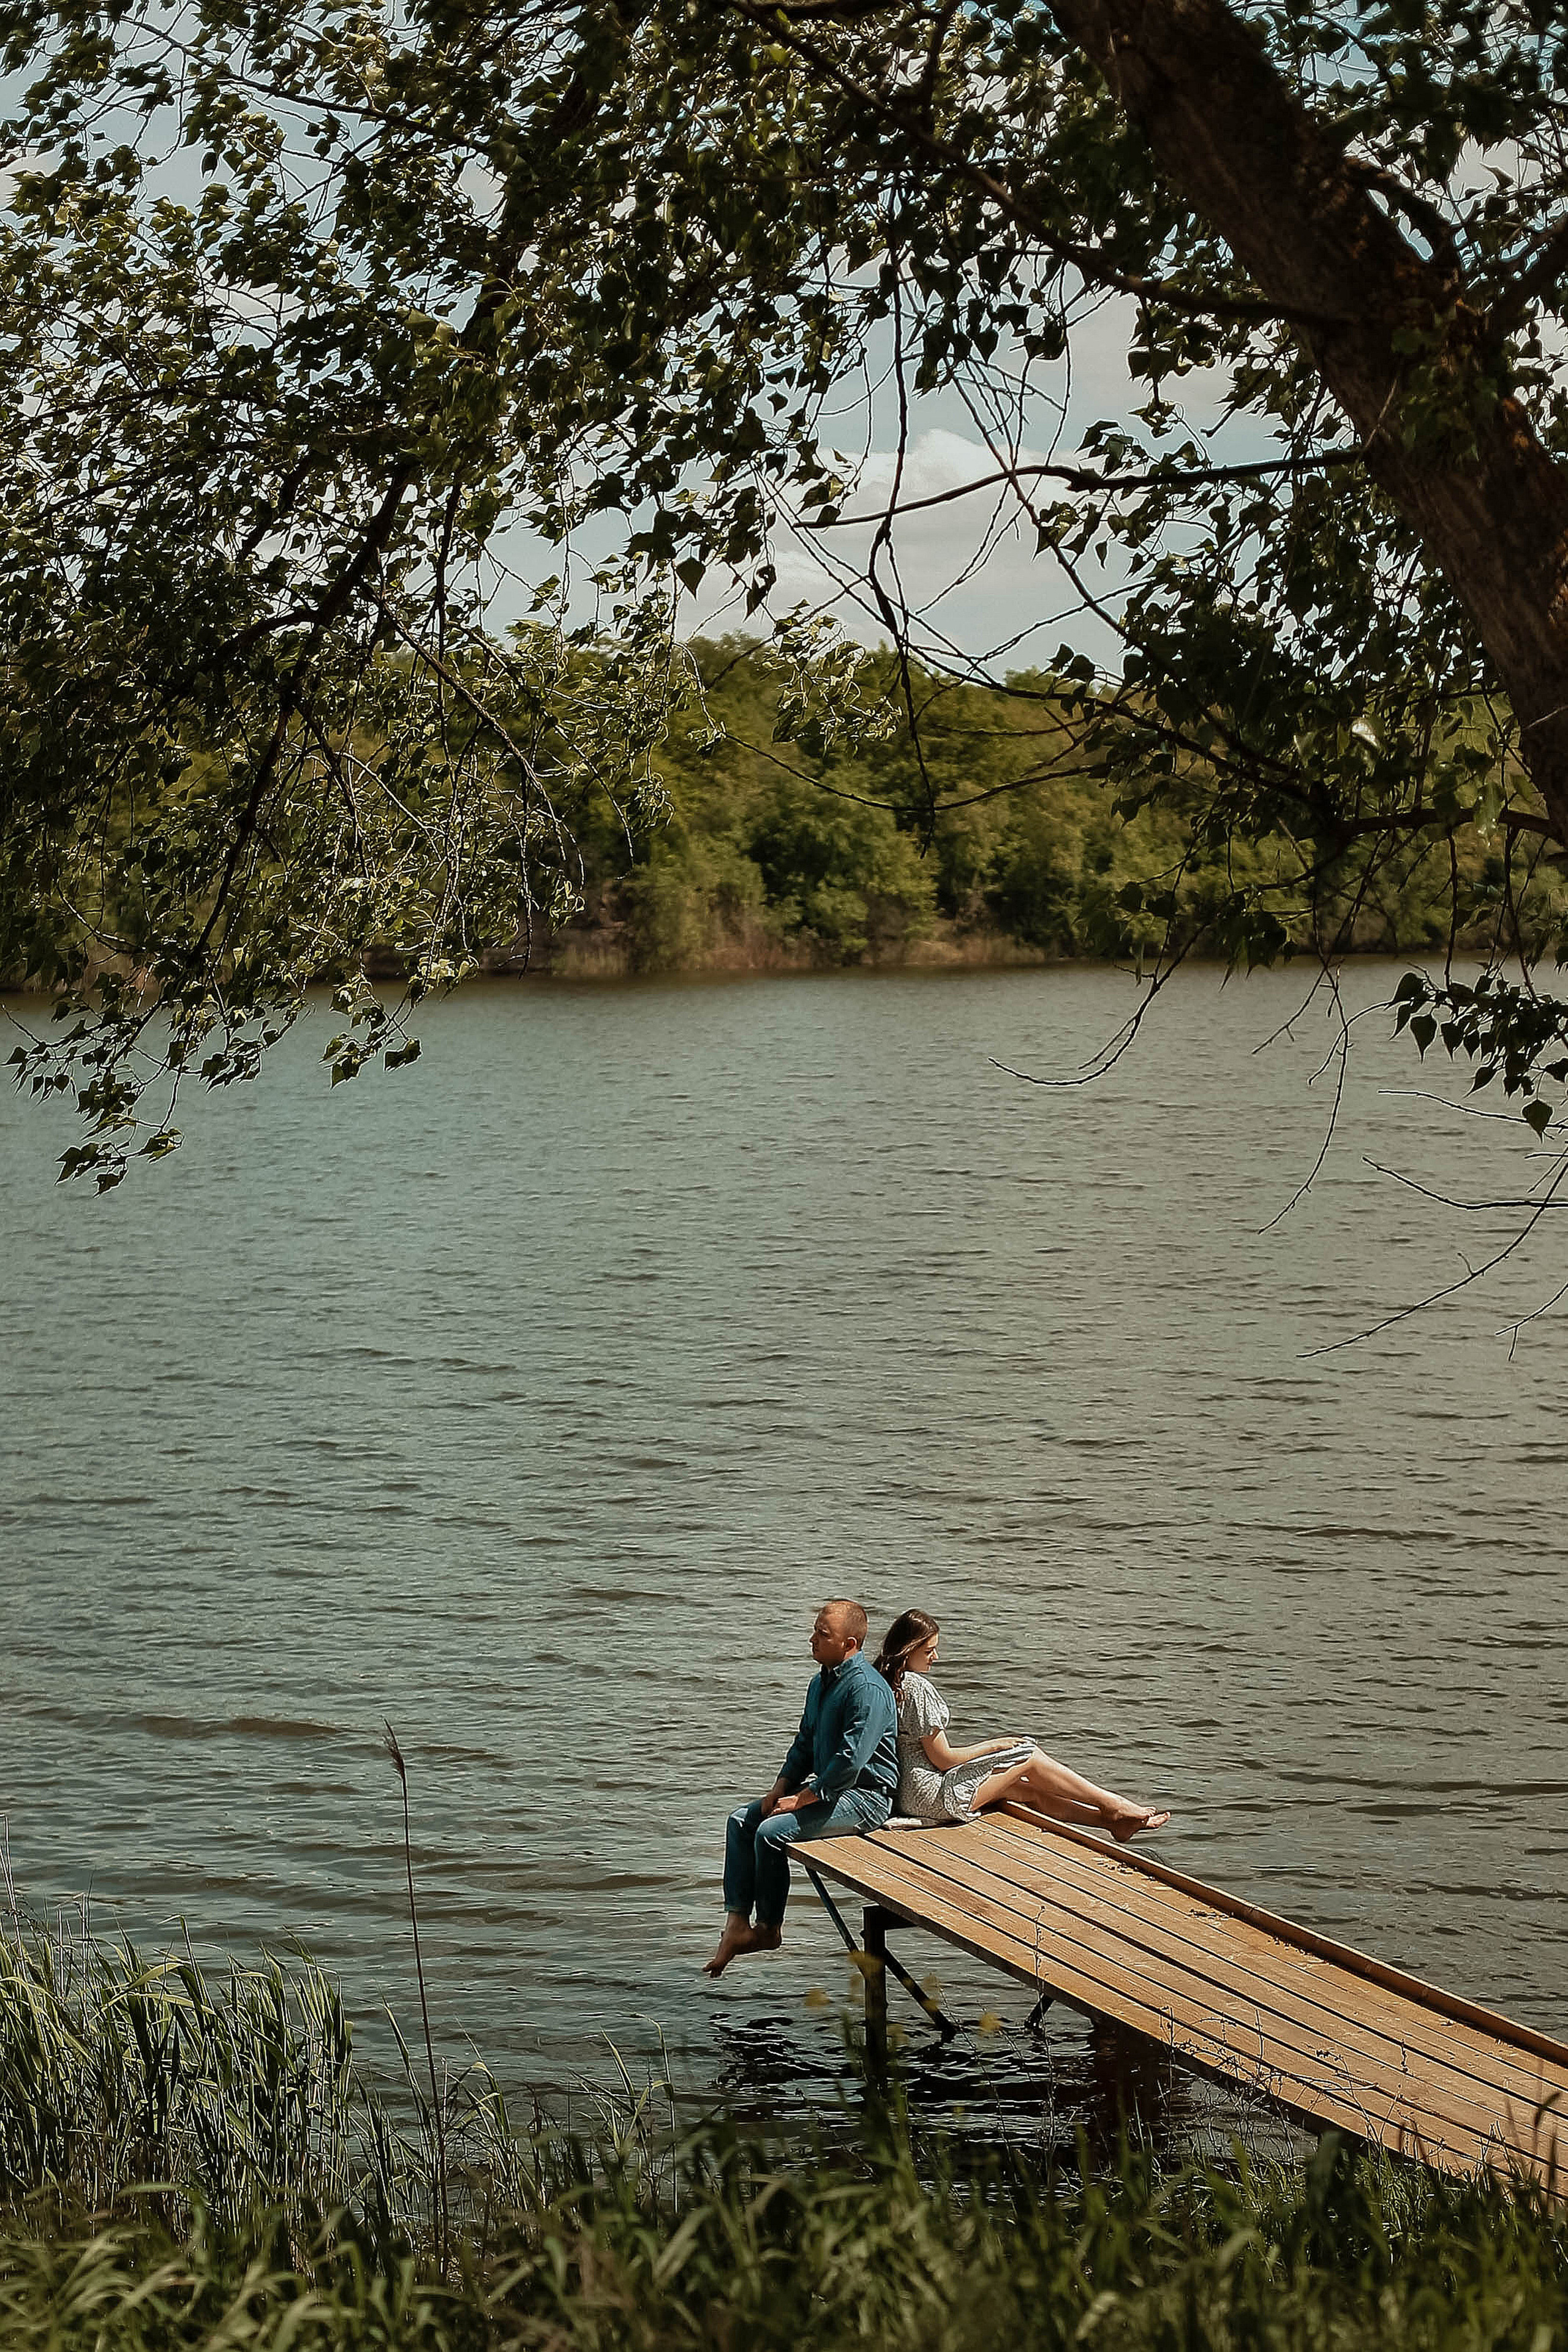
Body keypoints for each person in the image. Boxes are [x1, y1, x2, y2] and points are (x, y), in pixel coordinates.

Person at [704, 1599, 897, 1977]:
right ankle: (738, 1925)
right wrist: (779, 1790)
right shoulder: (820, 1682)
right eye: (814, 1630)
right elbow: (805, 1744)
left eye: (823, 1635)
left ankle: (770, 1928)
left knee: (771, 1834)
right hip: (829, 1790)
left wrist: (802, 1799)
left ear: (850, 1645)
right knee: (743, 1821)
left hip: (866, 1797)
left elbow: (851, 1760)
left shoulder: (867, 1691)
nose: (812, 1639)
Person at [875, 1608, 1170, 1839]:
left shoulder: (882, 1682)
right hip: (932, 1796)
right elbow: (944, 1760)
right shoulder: (915, 1687)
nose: (936, 1657)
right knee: (1027, 1753)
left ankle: (1109, 1822)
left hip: (906, 1795)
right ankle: (1113, 1803)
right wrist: (997, 1744)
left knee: (1022, 1788)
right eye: (929, 1651)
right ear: (908, 1649)